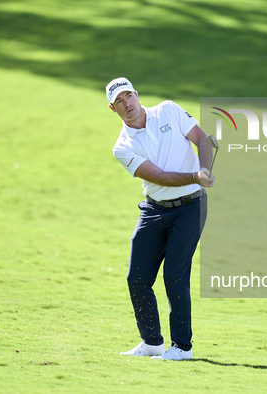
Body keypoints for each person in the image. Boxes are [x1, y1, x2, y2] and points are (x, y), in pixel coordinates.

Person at [107, 77, 215, 361]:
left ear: (137, 95)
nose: (127, 103)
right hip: (154, 209)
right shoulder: (122, 146)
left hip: (191, 206)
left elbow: (202, 138)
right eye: (119, 101)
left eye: (129, 96)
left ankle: (182, 347)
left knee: (174, 276)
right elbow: (158, 177)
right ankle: (152, 342)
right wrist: (195, 176)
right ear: (113, 108)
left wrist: (204, 169)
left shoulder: (168, 110)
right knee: (137, 277)